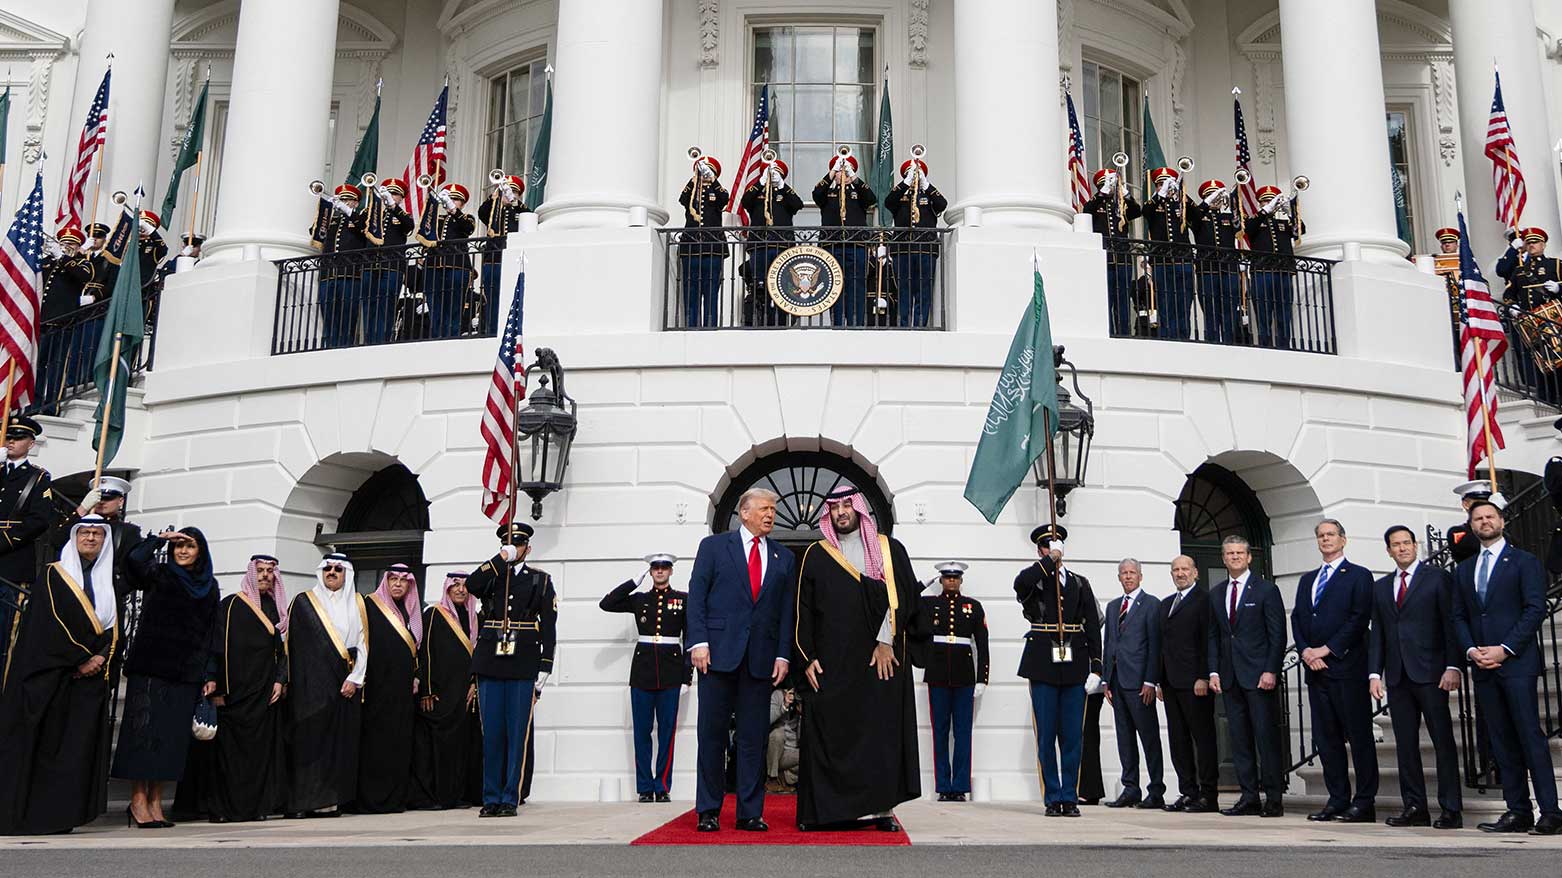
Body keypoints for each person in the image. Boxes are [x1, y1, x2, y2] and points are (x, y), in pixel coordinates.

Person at [793, 487, 920, 831]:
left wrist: (885, 642)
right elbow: (801, 610)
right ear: (828, 514)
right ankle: (825, 813)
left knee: (878, 735)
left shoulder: (888, 550)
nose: (841, 512)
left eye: (848, 505)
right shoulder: (816, 555)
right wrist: (806, 659)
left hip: (877, 661)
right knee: (829, 735)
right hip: (831, 666)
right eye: (834, 507)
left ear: (860, 510)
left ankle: (880, 811)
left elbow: (902, 600)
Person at [0, 516, 119, 835]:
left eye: (97, 534)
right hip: (53, 677)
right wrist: (81, 658)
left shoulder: (109, 580)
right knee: (45, 746)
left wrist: (100, 658)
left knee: (74, 751)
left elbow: (111, 629)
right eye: (85, 533)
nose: (91, 539)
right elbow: (48, 624)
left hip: (88, 682)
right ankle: (35, 817)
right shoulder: (55, 574)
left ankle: (62, 816)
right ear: (75, 537)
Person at [686, 487, 795, 833]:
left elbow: (785, 612)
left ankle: (750, 812)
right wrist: (698, 642)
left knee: (754, 739)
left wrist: (782, 654)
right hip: (716, 655)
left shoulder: (783, 557)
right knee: (712, 735)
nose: (770, 514)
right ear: (744, 513)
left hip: (760, 659)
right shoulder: (714, 547)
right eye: (764, 508)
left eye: (774, 510)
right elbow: (697, 596)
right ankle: (708, 810)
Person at [1450, 500, 1562, 834]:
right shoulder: (1464, 569)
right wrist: (1471, 650)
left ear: (1502, 520)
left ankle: (1551, 812)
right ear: (1471, 526)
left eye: (1489, 516)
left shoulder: (1524, 561)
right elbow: (1458, 615)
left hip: (1516, 663)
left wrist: (1504, 649)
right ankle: (1517, 810)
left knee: (1529, 735)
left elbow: (1534, 609)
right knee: (1499, 739)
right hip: (1482, 665)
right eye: (1478, 518)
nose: (1484, 522)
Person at [113, 526, 220, 828]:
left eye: (190, 546)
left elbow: (212, 632)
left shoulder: (209, 586)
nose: (183, 552)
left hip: (187, 672)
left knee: (171, 741)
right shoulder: (160, 574)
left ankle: (156, 800)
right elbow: (133, 561)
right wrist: (158, 540)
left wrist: (209, 672)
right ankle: (137, 801)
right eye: (179, 547)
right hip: (151, 667)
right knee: (143, 735)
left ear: (201, 551)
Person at [1369, 526, 1463, 829]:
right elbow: (1378, 635)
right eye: (1395, 545)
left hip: (1432, 672)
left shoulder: (1437, 578)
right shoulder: (1381, 587)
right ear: (1388, 550)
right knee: (1405, 745)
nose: (1402, 548)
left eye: (1406, 543)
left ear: (1415, 545)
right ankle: (1415, 807)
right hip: (1397, 676)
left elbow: (1450, 625)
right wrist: (1374, 673)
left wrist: (1454, 666)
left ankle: (1450, 809)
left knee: (1442, 742)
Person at [464, 522, 558, 818]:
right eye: (508, 544)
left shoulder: (539, 581)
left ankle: (509, 797)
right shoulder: (492, 575)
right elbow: (470, 586)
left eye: (518, 545)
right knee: (491, 732)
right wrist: (499, 561)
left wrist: (545, 666)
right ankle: (490, 796)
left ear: (527, 549)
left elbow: (550, 628)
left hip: (523, 660)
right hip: (491, 659)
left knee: (517, 732)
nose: (513, 549)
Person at [1292, 519, 1378, 823]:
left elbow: (1358, 619)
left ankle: (1364, 801)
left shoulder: (1359, 576)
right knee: (1326, 740)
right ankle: (1337, 798)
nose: (1325, 539)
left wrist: (1326, 649)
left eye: (1331, 535)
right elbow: (1299, 619)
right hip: (1316, 672)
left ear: (1343, 539)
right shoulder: (1307, 579)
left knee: (1359, 737)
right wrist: (1305, 652)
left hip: (1346, 668)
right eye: (1321, 536)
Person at [1015, 524, 1102, 817]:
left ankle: (1070, 796)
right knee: (1046, 735)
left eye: (1056, 545)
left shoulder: (1079, 582)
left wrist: (1097, 666)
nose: (1052, 549)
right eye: (1045, 546)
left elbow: (1092, 626)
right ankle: (1052, 796)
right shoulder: (1034, 580)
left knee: (1072, 736)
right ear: (1038, 550)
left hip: (1075, 663)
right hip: (1042, 664)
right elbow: (1021, 584)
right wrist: (1048, 562)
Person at [200, 554, 289, 823]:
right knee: (229, 754)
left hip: (264, 691)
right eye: (259, 571)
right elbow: (215, 647)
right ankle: (222, 810)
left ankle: (253, 807)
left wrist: (279, 680)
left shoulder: (277, 609)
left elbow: (283, 652)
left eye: (269, 572)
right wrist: (216, 685)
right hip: (233, 691)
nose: (264, 576)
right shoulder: (231, 605)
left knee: (258, 753)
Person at [600, 553, 691, 803]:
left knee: (666, 733)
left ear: (671, 571)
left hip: (671, 672)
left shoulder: (682, 600)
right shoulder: (639, 599)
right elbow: (606, 603)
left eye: (664, 568)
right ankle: (644, 787)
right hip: (642, 672)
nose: (660, 572)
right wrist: (633, 582)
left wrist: (687, 677)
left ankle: (662, 786)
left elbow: (690, 638)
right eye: (655, 568)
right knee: (641, 732)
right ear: (650, 572)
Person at [1207, 534, 1286, 817]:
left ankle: (1274, 799)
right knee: (1239, 741)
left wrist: (1271, 669)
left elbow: (1277, 635)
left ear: (1249, 557)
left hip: (1258, 677)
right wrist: (1214, 671)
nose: (1235, 557)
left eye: (1240, 552)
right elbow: (1214, 635)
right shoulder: (1216, 593)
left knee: (1266, 739)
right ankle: (1249, 796)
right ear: (1224, 558)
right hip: (1230, 678)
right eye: (1230, 553)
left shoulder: (1266, 590)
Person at [284, 553, 367, 818]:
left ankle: (331, 803)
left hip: (345, 684)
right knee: (309, 744)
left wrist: (355, 678)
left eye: (338, 569)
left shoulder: (357, 602)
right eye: (328, 568)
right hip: (310, 688)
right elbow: (294, 647)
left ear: (347, 574)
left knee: (338, 745)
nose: (332, 572)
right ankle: (304, 802)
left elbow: (364, 645)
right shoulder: (304, 602)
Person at [912, 560, 989, 802]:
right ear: (941, 580)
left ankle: (960, 786)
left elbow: (982, 645)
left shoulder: (973, 607)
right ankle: (944, 786)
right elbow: (906, 599)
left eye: (955, 577)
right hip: (937, 675)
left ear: (961, 580)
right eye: (947, 577)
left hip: (965, 676)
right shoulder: (929, 604)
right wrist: (924, 583)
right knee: (941, 732)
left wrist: (982, 678)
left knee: (963, 732)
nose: (951, 581)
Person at [412, 572, 483, 810]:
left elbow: (478, 656)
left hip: (463, 693)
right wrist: (427, 689)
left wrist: (475, 683)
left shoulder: (474, 618)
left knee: (460, 747)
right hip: (438, 694)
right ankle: (433, 797)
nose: (461, 590)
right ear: (447, 589)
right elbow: (425, 652)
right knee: (434, 747)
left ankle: (454, 795)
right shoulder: (433, 614)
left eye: (465, 586)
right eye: (456, 586)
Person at [356, 564, 423, 814]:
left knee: (399, 745)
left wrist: (416, 676)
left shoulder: (411, 612)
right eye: (393, 579)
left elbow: (414, 651)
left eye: (402, 580)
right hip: (376, 689)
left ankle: (395, 799)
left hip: (403, 693)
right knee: (375, 746)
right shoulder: (371, 605)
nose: (397, 584)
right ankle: (371, 800)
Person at [1101, 558, 1164, 809]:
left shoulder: (1151, 604)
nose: (1128, 577)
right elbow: (1109, 644)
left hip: (1140, 682)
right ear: (1119, 578)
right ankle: (1131, 787)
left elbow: (1154, 645)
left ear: (1140, 576)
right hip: (1117, 682)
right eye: (1124, 573)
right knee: (1124, 737)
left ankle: (1156, 789)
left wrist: (1151, 680)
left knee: (1148, 737)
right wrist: (1106, 679)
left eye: (1132, 573)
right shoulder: (1113, 606)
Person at [1158, 555, 1218, 812]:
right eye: (1176, 570)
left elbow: (1209, 640)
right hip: (1171, 683)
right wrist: (1160, 680)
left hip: (1196, 682)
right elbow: (1163, 645)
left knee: (1202, 739)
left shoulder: (1205, 601)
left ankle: (1208, 795)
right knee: (1178, 740)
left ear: (1196, 573)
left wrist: (1204, 675)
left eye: (1185, 569)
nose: (1180, 573)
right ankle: (1188, 792)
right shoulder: (1166, 604)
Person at [0, 416, 53, 672]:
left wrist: (4, 541)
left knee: (5, 637)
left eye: (18, 437)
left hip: (12, 562)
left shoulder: (37, 477)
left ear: (30, 443)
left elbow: (39, 520)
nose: (10, 441)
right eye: (8, 436)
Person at [811, 152, 876, 327]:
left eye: (846, 171)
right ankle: (837, 323)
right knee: (835, 287)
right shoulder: (827, 193)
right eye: (840, 171)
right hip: (832, 245)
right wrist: (832, 172)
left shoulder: (858, 192)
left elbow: (871, 199)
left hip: (857, 245)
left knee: (857, 285)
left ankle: (857, 323)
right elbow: (816, 194)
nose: (843, 174)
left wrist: (854, 177)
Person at [738, 158, 803, 327]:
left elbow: (798, 204)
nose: (773, 176)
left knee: (781, 286)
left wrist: (781, 185)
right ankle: (761, 322)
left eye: (777, 174)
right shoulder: (757, 192)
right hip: (759, 245)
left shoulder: (784, 193)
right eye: (771, 173)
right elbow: (745, 201)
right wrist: (761, 182)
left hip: (782, 247)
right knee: (760, 285)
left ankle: (780, 322)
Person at [884, 155, 947, 328]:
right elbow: (888, 202)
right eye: (911, 174)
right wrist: (906, 182)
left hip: (925, 249)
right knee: (904, 290)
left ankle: (920, 324)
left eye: (917, 174)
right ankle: (904, 325)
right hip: (903, 250)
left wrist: (926, 184)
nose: (915, 178)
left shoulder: (929, 195)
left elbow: (942, 204)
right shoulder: (900, 196)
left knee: (923, 290)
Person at [1083, 167, 1142, 336]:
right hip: (1106, 259)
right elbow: (1087, 210)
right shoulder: (1096, 205)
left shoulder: (1121, 205)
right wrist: (1102, 193)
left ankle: (1123, 333)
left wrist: (1125, 193)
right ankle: (1108, 332)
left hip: (1123, 259)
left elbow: (1136, 211)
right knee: (1107, 299)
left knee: (1122, 300)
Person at [1245, 185, 1303, 349]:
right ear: (1260, 203)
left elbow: (1300, 230)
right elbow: (1248, 230)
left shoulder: (1283, 223)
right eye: (1266, 201)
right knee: (1263, 312)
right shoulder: (1254, 221)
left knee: (1283, 312)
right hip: (1262, 271)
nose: (1269, 203)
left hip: (1283, 271)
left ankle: (1284, 345)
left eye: (1271, 201)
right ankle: (1265, 345)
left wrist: (1290, 212)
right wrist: (1265, 211)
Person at [1140, 167, 1196, 340]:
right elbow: (1145, 212)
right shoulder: (1153, 205)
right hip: (1162, 263)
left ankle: (1184, 337)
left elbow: (1198, 216)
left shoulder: (1181, 204)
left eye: (1166, 184)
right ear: (1156, 187)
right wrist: (1161, 194)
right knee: (1166, 304)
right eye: (1160, 185)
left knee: (1184, 304)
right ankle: (1168, 338)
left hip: (1183, 261)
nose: (1164, 187)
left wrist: (1181, 193)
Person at [310, 184, 368, 349]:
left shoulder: (359, 218)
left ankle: (344, 347)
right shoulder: (331, 220)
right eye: (342, 199)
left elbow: (365, 228)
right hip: (328, 275)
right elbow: (313, 232)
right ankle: (330, 347)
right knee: (328, 314)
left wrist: (348, 211)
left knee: (347, 315)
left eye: (348, 200)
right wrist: (326, 211)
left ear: (356, 203)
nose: (344, 202)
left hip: (350, 275)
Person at [418, 183, 478, 340]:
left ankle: (450, 338)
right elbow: (425, 234)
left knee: (454, 307)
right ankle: (436, 338)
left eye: (455, 199)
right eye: (449, 198)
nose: (451, 201)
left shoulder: (466, 218)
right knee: (435, 307)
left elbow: (467, 228)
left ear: (462, 203)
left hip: (457, 267)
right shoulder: (435, 219)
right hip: (433, 267)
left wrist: (453, 209)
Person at [359, 179, 416, 345]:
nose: (391, 196)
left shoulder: (402, 215)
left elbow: (409, 226)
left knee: (387, 305)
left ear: (401, 198)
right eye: (389, 193)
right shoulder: (372, 213)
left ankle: (382, 341)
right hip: (370, 265)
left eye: (395, 194)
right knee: (369, 304)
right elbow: (358, 225)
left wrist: (392, 206)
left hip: (392, 266)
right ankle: (369, 341)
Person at [678, 153, 729, 328]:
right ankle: (690, 326)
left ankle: (710, 326)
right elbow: (683, 199)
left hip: (713, 248)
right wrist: (695, 179)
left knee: (711, 292)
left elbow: (724, 199)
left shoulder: (717, 191)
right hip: (691, 247)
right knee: (690, 291)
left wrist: (712, 179)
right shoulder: (692, 190)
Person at [1189, 179, 1242, 344]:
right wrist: (1207, 202)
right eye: (1213, 196)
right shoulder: (1199, 217)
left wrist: (1232, 201)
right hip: (1207, 269)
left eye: (1218, 196)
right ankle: (1213, 343)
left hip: (1228, 268)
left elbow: (1241, 226)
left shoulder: (1228, 217)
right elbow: (1192, 216)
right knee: (1210, 309)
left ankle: (1229, 342)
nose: (1217, 199)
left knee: (1230, 309)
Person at [477, 175, 528, 334]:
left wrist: (515, 202)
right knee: (492, 298)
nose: (507, 194)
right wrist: (494, 197)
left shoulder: (519, 211)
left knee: (512, 297)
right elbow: (482, 213)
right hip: (493, 259)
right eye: (505, 191)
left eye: (512, 191)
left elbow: (530, 217)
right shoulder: (493, 211)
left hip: (513, 260)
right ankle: (492, 330)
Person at [1494, 227, 1561, 313]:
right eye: (1528, 243)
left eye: (1535, 242)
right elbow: (1509, 294)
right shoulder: (1519, 270)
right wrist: (1512, 306)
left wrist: (1559, 289)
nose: (1531, 245)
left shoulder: (1556, 264)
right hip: (1528, 319)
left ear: (1543, 245)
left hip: (1553, 318)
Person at [1448, 480, 1505, 564]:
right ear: (1466, 504)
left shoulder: (1503, 533)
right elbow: (1475, 546)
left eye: (1488, 502)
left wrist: (1498, 513)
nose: (1483, 506)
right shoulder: (1458, 532)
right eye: (1478, 503)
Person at [766, 687, 801, 792]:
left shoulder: (805, 699)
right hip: (773, 753)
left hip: (791, 753)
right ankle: (772, 778)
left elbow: (802, 739)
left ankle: (784, 777)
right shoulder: (778, 695)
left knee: (813, 755)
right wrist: (784, 706)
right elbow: (766, 721)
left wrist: (802, 716)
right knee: (777, 733)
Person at [134, 210, 170, 296]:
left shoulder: (154, 247)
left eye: (146, 225)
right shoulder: (130, 245)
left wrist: (150, 230)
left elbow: (163, 249)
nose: (142, 228)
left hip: (142, 289)